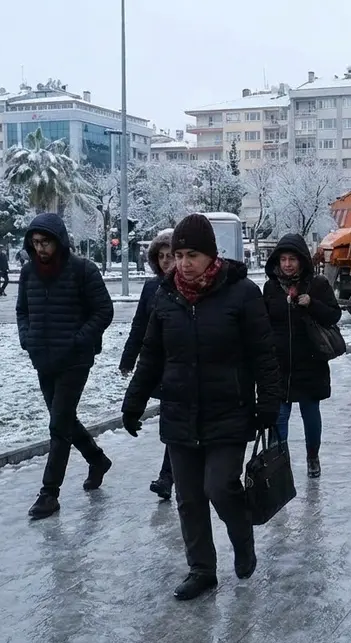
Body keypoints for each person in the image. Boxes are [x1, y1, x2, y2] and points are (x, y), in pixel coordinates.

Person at [120, 214, 281, 601]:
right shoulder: (165, 295)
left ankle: (241, 538)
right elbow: (152, 353)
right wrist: (134, 400)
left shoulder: (242, 293)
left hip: (230, 409)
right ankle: (201, 569)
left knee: (220, 487)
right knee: (189, 497)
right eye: (178, 254)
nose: (185, 262)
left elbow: (264, 355)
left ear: (211, 256)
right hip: (179, 410)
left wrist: (269, 404)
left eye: (193, 254)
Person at [17, 213, 115, 519]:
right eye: (35, 243)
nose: (41, 248)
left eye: (45, 242)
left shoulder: (83, 270)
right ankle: (97, 459)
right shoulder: (28, 272)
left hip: (75, 360)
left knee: (58, 425)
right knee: (64, 419)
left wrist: (79, 339)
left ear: (59, 241)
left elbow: (104, 310)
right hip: (43, 358)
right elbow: (23, 310)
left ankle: (49, 493)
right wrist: (27, 337)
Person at [263, 233, 342, 479]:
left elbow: (333, 315)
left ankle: (312, 456)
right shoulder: (271, 287)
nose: (287, 264)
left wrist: (312, 304)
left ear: (301, 261)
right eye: (283, 259)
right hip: (280, 365)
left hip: (310, 363)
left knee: (310, 413)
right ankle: (279, 463)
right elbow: (263, 323)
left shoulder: (317, 284)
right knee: (280, 417)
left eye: (292, 259)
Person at [120, 229, 176, 500]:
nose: (166, 261)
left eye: (170, 255)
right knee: (170, 417)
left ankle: (168, 475)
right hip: (158, 363)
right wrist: (128, 358)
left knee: (172, 417)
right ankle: (170, 474)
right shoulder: (151, 287)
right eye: (161, 256)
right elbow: (140, 325)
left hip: (181, 361)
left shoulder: (186, 285)